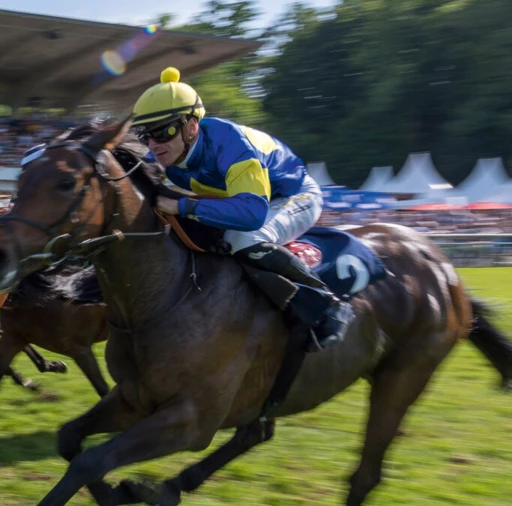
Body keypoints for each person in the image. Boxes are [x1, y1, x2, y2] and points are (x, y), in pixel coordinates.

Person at [131, 67, 351, 348]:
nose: (153, 145)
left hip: (293, 196)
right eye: (145, 136)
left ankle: (327, 304)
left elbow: (251, 215)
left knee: (244, 238)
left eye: (162, 132)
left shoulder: (231, 146)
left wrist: (183, 206)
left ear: (191, 126)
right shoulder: (164, 152)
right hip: (243, 198)